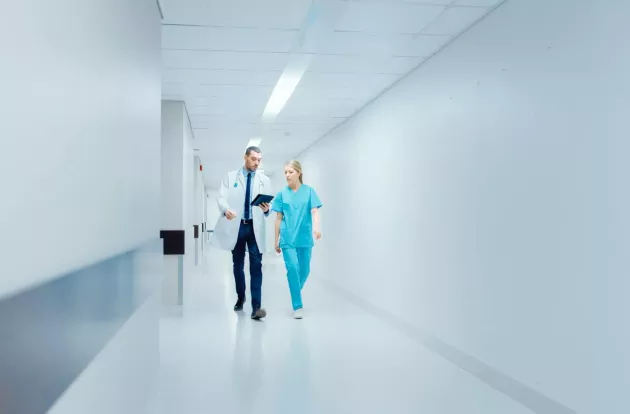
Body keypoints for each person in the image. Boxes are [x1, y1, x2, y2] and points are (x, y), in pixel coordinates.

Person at [212, 146, 273, 320]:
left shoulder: (264, 180)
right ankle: (241, 297)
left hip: (255, 228)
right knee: (237, 265)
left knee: (256, 267)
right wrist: (225, 210)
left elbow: (269, 206)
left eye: (259, 160)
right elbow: (222, 197)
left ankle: (256, 307)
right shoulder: (231, 177)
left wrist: (267, 209)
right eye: (254, 159)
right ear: (245, 157)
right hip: (238, 226)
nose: (256, 162)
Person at [271, 160, 322, 319]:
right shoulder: (281, 194)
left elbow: (314, 212)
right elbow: (278, 218)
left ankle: (294, 289)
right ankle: (298, 306)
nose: (287, 175)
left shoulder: (309, 192)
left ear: (299, 173)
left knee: (305, 270)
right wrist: (276, 240)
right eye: (285, 172)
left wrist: (317, 227)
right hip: (287, 238)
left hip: (304, 236)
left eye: (290, 172)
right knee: (292, 268)